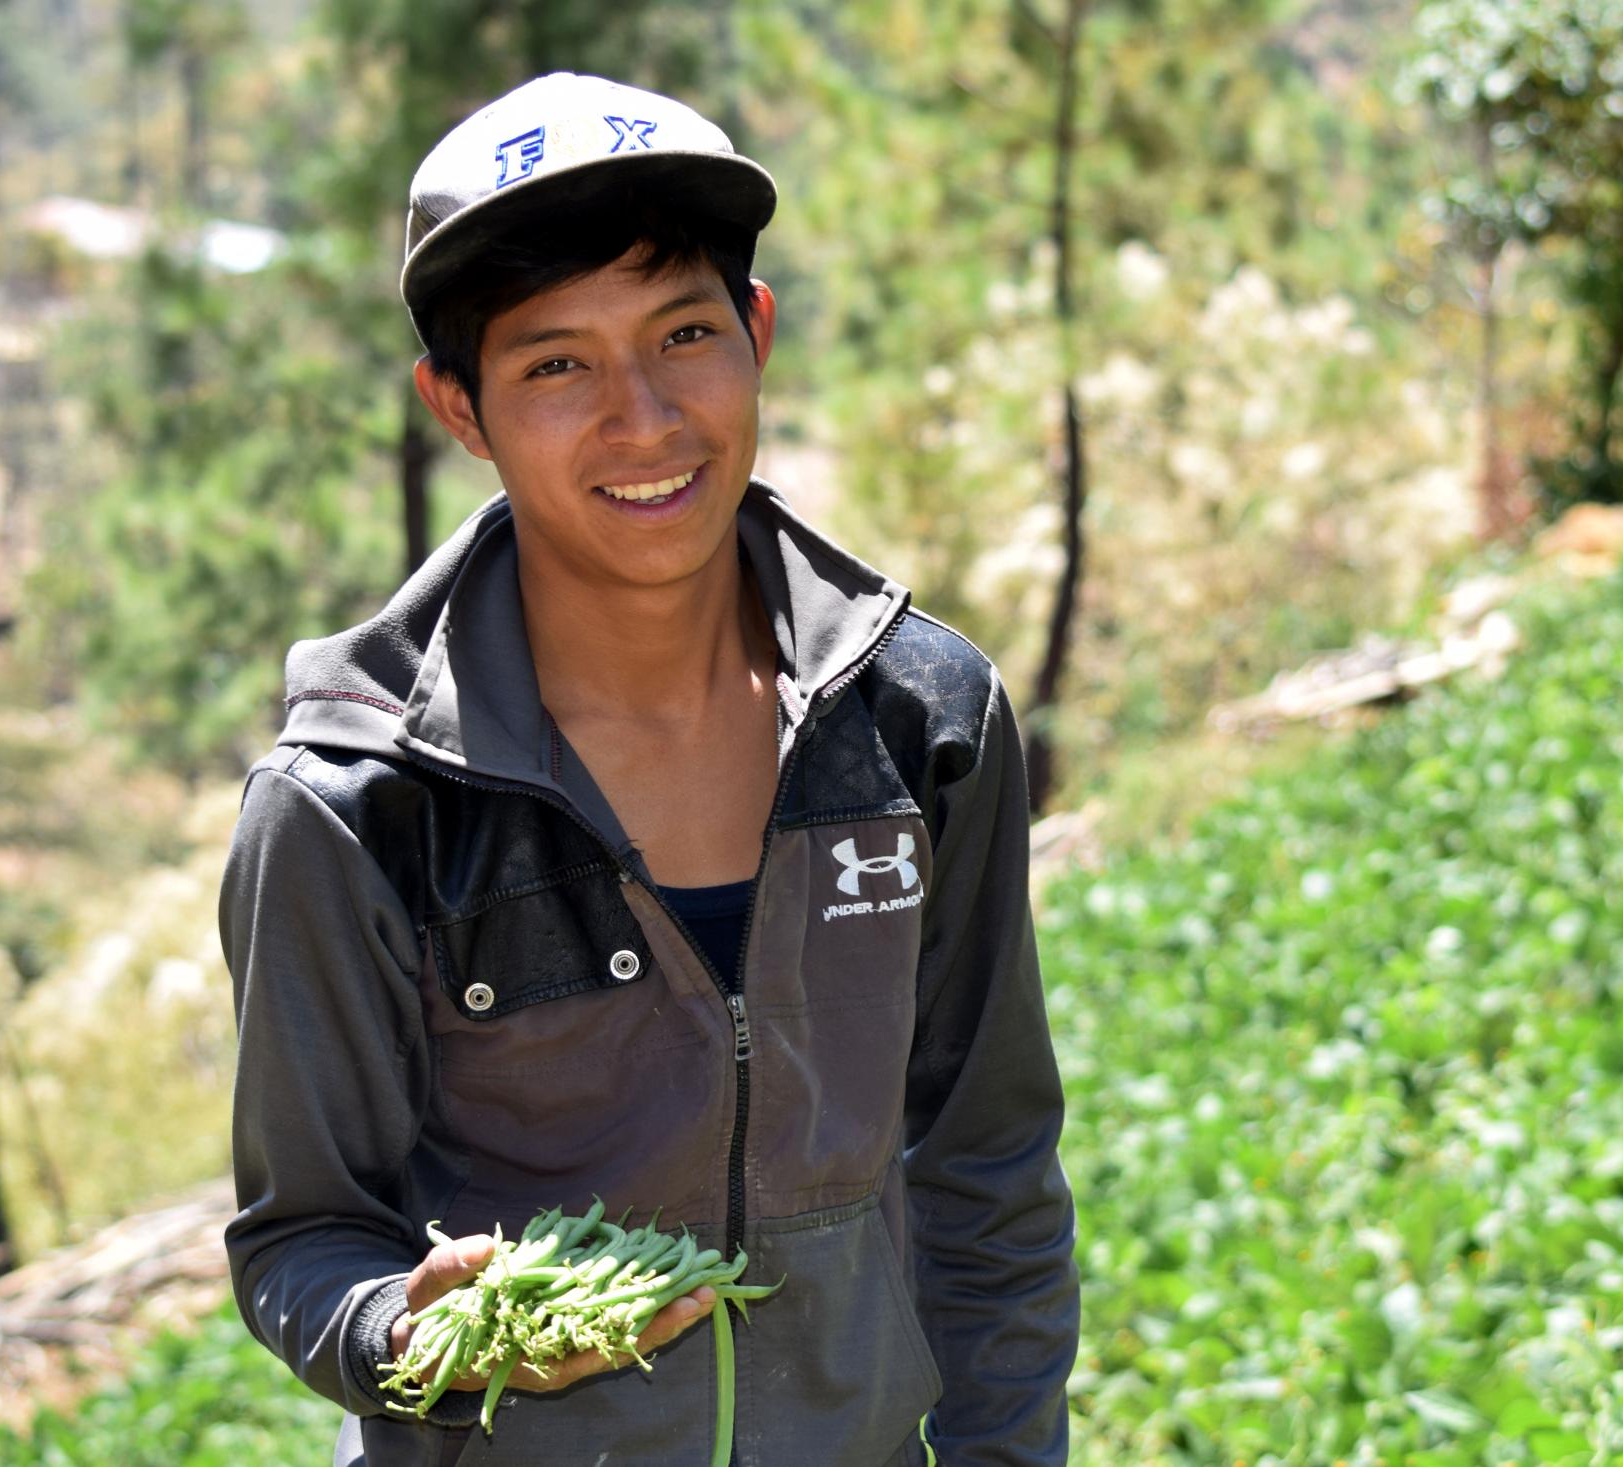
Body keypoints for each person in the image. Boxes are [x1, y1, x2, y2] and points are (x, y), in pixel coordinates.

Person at [218, 72, 1079, 1466]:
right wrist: (398, 1328)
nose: (644, 418)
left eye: (684, 332)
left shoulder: (924, 720)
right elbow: (301, 1234)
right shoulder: (356, 808)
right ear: (460, 406)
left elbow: (986, 1169)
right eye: (555, 363)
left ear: (759, 332)